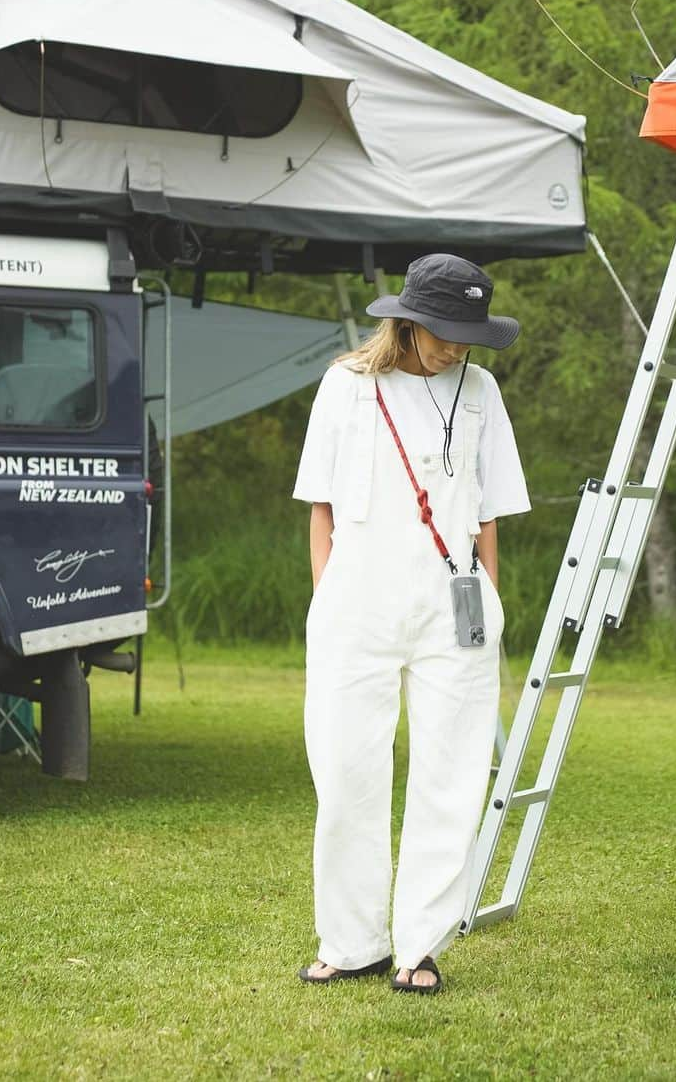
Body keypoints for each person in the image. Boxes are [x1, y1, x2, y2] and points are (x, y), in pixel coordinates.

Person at [292, 253, 530, 994]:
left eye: (469, 333)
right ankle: (351, 940)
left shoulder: (481, 389)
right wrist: (327, 599)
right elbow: (320, 509)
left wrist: (489, 599)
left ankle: (418, 945)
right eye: (446, 331)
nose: (457, 346)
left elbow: (488, 510)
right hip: (355, 601)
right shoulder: (346, 387)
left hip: (450, 604)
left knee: (451, 775)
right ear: (409, 320)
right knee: (344, 771)